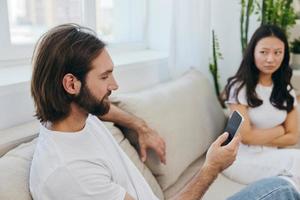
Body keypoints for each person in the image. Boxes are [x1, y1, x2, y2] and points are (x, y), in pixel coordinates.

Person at [29, 23, 300, 200]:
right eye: (105, 77)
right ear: (71, 84)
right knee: (282, 190)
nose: (115, 85)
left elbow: (105, 110)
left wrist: (141, 127)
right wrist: (211, 167)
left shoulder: (75, 116)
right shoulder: (71, 173)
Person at [223, 24, 300, 193]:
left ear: (284, 55)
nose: (270, 59)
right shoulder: (238, 87)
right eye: (264, 52)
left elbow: (293, 137)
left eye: (277, 52)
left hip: (271, 155)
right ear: (253, 53)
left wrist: (259, 137)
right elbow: (246, 137)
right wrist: (280, 130)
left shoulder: (285, 89)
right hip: (239, 158)